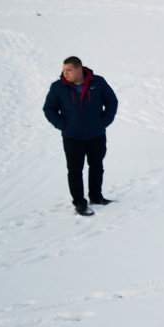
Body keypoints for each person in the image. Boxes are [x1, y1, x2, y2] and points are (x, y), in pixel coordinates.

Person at [43, 56, 118, 216]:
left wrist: (103, 122)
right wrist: (63, 125)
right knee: (75, 170)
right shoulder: (58, 87)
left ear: (79, 69)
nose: (65, 73)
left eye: (69, 70)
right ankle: (79, 202)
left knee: (97, 166)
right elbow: (49, 109)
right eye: (64, 70)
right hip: (72, 137)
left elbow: (112, 101)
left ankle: (96, 197)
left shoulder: (97, 83)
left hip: (96, 134)